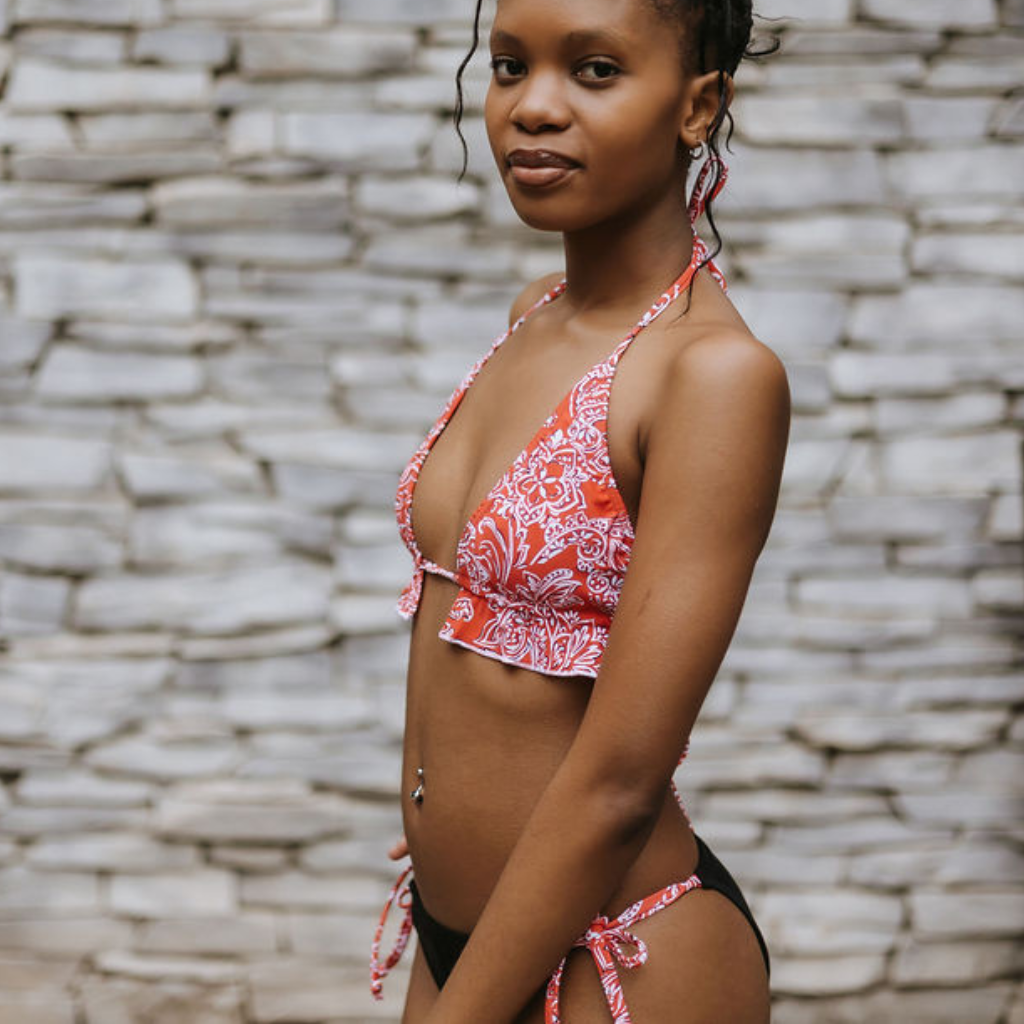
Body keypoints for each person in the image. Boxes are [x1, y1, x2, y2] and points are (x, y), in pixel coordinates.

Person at [369, 0, 788, 1019]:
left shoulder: (712, 377)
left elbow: (618, 782)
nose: (533, 108)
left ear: (700, 105)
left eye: (594, 71)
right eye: (509, 66)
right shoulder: (535, 318)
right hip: (459, 935)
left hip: (619, 958)